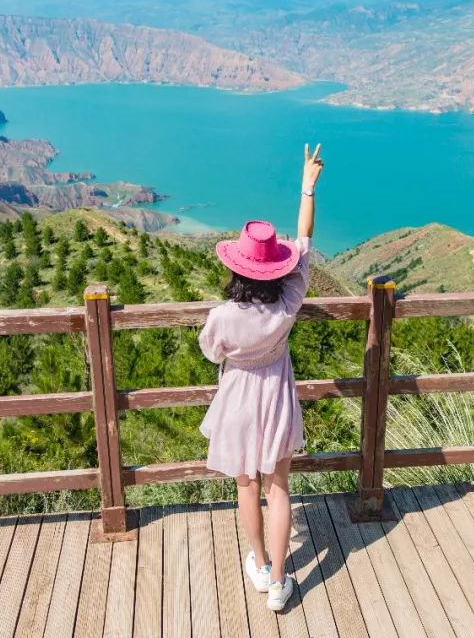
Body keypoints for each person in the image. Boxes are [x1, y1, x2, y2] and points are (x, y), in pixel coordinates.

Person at [198, 143, 324, 612]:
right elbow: (305, 242)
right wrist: (307, 186)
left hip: (238, 399)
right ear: (275, 269)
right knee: (278, 486)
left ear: (236, 267)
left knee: (246, 485)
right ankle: (277, 580)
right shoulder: (288, 302)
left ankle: (258, 560)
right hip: (276, 395)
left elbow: (212, 351)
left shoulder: (223, 315)